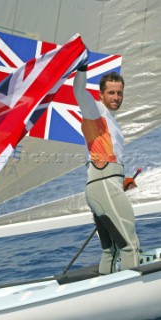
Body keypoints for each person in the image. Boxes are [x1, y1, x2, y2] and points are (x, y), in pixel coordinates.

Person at [73, 65, 140, 275]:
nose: (116, 97)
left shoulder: (112, 122)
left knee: (110, 250)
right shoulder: (96, 111)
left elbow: (110, 157)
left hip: (102, 186)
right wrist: (82, 67)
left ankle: (107, 291)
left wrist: (121, 181)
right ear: (101, 95)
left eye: (120, 93)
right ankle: (132, 297)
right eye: (111, 92)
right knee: (130, 245)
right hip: (104, 186)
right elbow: (78, 91)